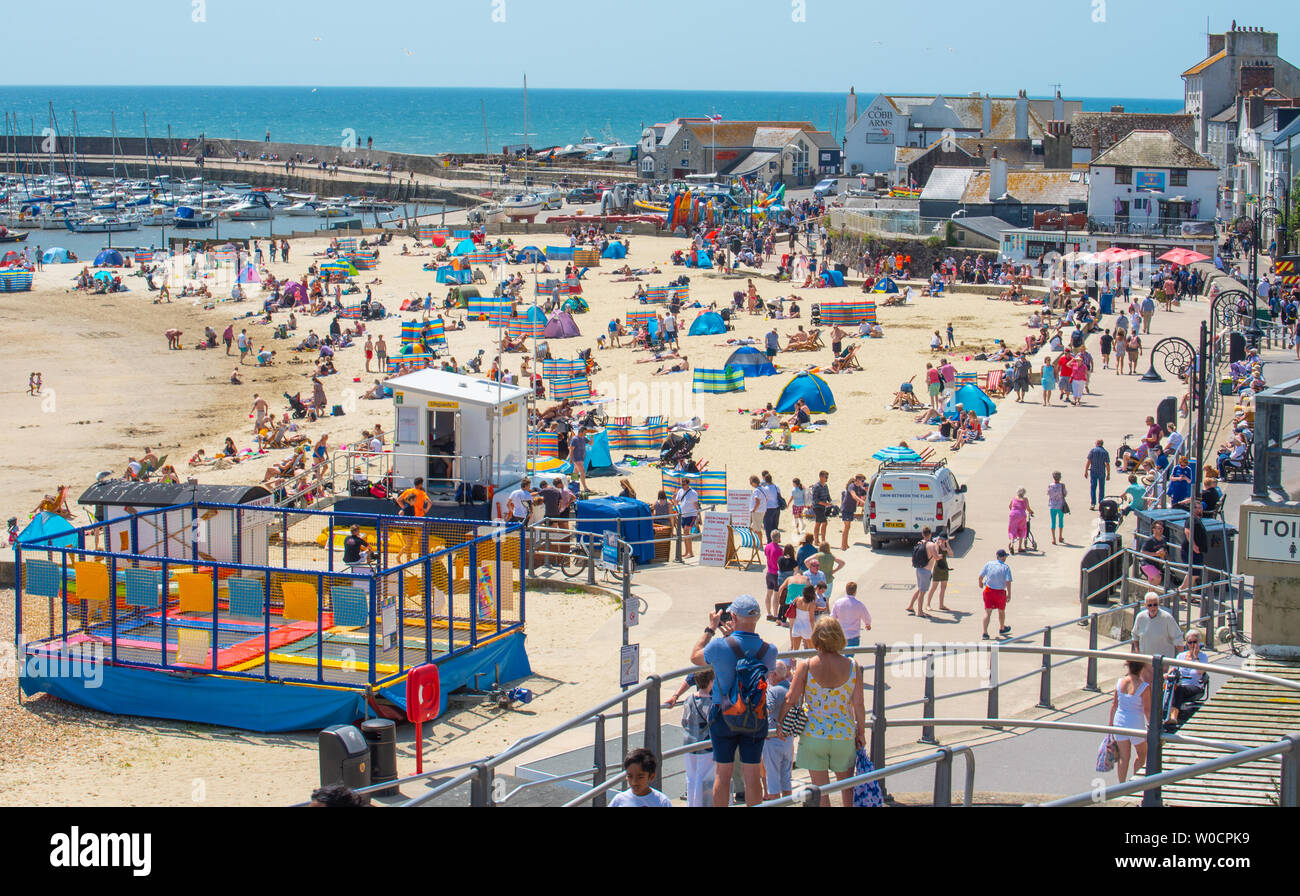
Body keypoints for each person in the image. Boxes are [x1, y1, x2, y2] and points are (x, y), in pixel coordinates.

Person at [690, 595, 778, 807]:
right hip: (755, 715)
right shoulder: (769, 650)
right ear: (756, 618)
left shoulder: (719, 646)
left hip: (724, 714)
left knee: (723, 773)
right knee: (752, 773)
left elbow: (695, 656)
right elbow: (752, 655)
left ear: (733, 616)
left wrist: (710, 629)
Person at [779, 617, 866, 808]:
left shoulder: (806, 665)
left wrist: (780, 723)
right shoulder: (853, 666)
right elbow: (858, 704)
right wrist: (861, 732)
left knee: (820, 792)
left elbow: (791, 699)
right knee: (847, 787)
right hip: (844, 734)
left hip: (813, 734)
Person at [1108, 660, 1151, 783]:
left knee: (1123, 756)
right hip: (1135, 722)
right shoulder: (1143, 687)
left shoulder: (1120, 682)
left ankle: (1122, 785)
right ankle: (1135, 782)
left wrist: (1110, 724)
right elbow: (1147, 710)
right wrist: (1152, 725)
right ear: (1142, 668)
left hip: (1119, 720)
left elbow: (1114, 705)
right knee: (1142, 753)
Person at [678, 667, 716, 807]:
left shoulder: (688, 700)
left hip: (689, 743)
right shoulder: (712, 703)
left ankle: (691, 804)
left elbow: (684, 721)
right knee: (703, 777)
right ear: (711, 682)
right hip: (706, 745)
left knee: (691, 777)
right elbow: (713, 726)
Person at [1132, 591, 1183, 682]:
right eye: (1149, 605)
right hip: (1146, 663)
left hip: (1163, 664)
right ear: (1145, 605)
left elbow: (1178, 639)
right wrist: (1137, 653)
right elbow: (1135, 636)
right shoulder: (1140, 617)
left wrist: (1180, 662)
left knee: (1160, 692)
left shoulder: (1167, 618)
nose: (1152, 608)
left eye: (1155, 605)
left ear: (1159, 604)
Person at [762, 661, 794, 801]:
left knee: (773, 780)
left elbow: (766, 711)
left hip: (773, 739)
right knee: (786, 778)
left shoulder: (773, 691)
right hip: (789, 737)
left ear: (774, 674)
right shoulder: (793, 689)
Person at [1165, 631, 1208, 731]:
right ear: (1187, 644)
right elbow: (1174, 669)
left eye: (1195, 642)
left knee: (1179, 689)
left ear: (1199, 642)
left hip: (1195, 686)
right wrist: (1167, 674)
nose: (1192, 645)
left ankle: (1173, 716)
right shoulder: (1181, 656)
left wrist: (1196, 656)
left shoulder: (1203, 657)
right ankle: (1163, 715)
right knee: (1169, 688)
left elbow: (1201, 671)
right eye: (1190, 642)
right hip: (1180, 684)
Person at [978, 549, 1013, 639]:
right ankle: (1002, 627)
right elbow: (1008, 581)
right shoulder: (1006, 567)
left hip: (988, 590)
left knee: (987, 612)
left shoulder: (989, 564)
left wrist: (980, 584)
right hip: (1000, 592)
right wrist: (1009, 594)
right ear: (1003, 557)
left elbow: (980, 576)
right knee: (1001, 611)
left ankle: (985, 633)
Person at [831, 581, 872, 648]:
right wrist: (868, 624)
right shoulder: (859, 605)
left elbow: (832, 618)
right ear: (855, 592)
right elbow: (866, 617)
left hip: (841, 634)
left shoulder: (838, 603)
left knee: (840, 656)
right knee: (849, 657)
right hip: (853, 635)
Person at [907, 527, 935, 618]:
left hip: (918, 569)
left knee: (919, 589)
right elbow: (936, 556)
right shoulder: (931, 545)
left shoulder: (919, 543)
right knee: (922, 592)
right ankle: (920, 611)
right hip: (926, 570)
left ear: (923, 534)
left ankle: (910, 606)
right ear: (930, 534)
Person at [924, 535, 951, 612]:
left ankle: (941, 605)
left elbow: (952, 554)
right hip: (937, 567)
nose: (943, 541)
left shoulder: (946, 544)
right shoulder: (936, 544)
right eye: (941, 539)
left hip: (945, 567)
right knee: (934, 587)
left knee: (943, 587)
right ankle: (928, 604)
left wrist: (946, 548)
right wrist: (939, 546)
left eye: (944, 540)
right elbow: (935, 556)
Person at [674, 480, 700, 559]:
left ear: (688, 484)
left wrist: (699, 516)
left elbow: (696, 505)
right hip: (684, 515)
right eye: (682, 484)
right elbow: (676, 503)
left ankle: (691, 552)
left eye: (684, 484)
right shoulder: (680, 491)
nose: (682, 486)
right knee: (685, 533)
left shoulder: (693, 493)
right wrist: (674, 499)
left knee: (686, 531)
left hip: (692, 514)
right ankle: (686, 552)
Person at [1085, 439, 1110, 510]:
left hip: (1093, 471)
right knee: (1101, 488)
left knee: (1093, 488)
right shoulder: (1105, 452)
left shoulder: (1093, 451)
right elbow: (1107, 464)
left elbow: (1089, 461)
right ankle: (1101, 503)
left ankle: (1093, 503)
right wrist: (1108, 474)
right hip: (1102, 472)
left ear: (1097, 443)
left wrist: (1086, 471)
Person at [809, 470, 832, 544]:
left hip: (823, 507)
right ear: (821, 477)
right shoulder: (816, 486)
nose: (827, 478)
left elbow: (828, 495)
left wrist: (831, 502)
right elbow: (815, 499)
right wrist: (824, 504)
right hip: (817, 507)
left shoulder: (825, 485)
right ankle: (822, 540)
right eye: (826, 477)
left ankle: (816, 540)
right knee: (824, 522)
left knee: (818, 522)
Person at [1007, 488, 1032, 554]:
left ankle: (1012, 544)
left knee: (1012, 529)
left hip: (1013, 515)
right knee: (1022, 529)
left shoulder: (1014, 498)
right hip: (1022, 516)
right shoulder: (1025, 499)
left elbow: (1010, 506)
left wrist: (1014, 512)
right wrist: (1031, 512)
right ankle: (1019, 547)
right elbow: (1028, 509)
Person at [1046, 471, 1068, 545]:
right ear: (1060, 478)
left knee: (1053, 522)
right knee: (1061, 521)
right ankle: (1060, 536)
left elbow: (1048, 493)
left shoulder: (1050, 485)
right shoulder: (1062, 485)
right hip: (1060, 505)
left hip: (1052, 505)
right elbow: (1065, 494)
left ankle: (1053, 538)